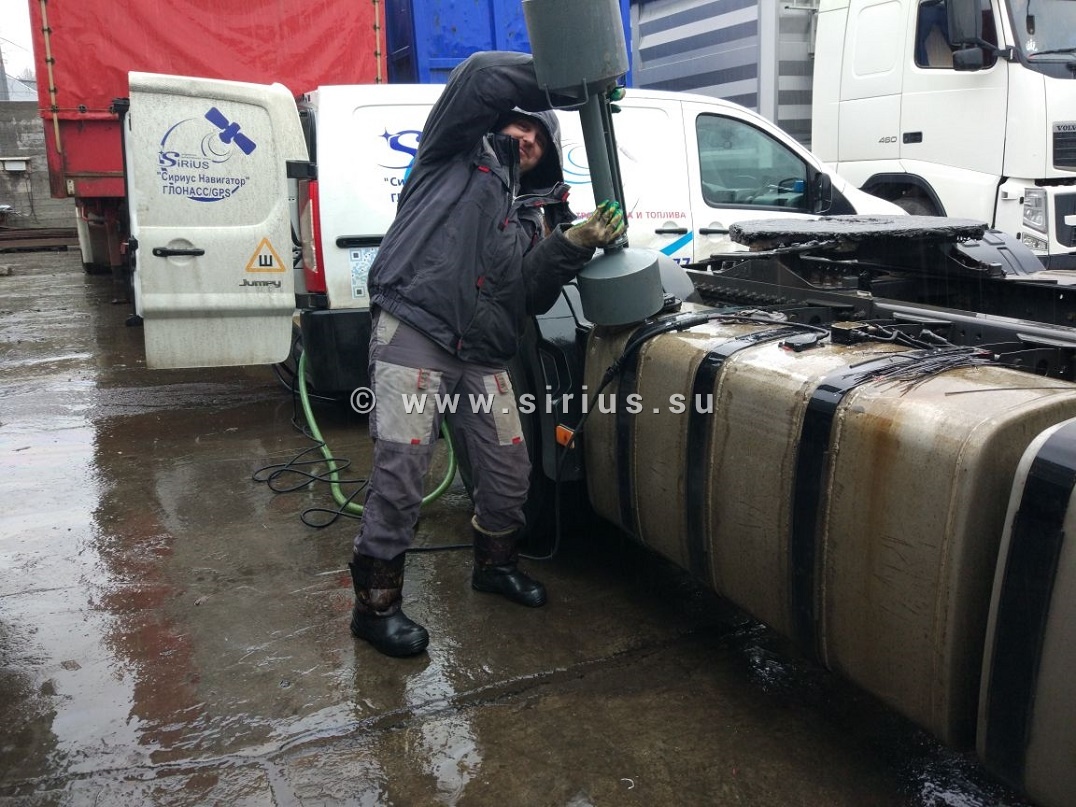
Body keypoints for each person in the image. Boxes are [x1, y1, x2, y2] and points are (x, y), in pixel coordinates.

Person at [348, 50, 626, 658]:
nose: (527, 138)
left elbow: (529, 293)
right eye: (520, 125)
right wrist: (574, 84)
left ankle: (495, 565)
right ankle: (376, 606)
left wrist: (572, 242)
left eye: (539, 136)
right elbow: (479, 75)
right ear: (499, 122)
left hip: (483, 352)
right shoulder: (451, 152)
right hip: (416, 326)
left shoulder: (537, 215)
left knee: (509, 468)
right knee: (403, 470)